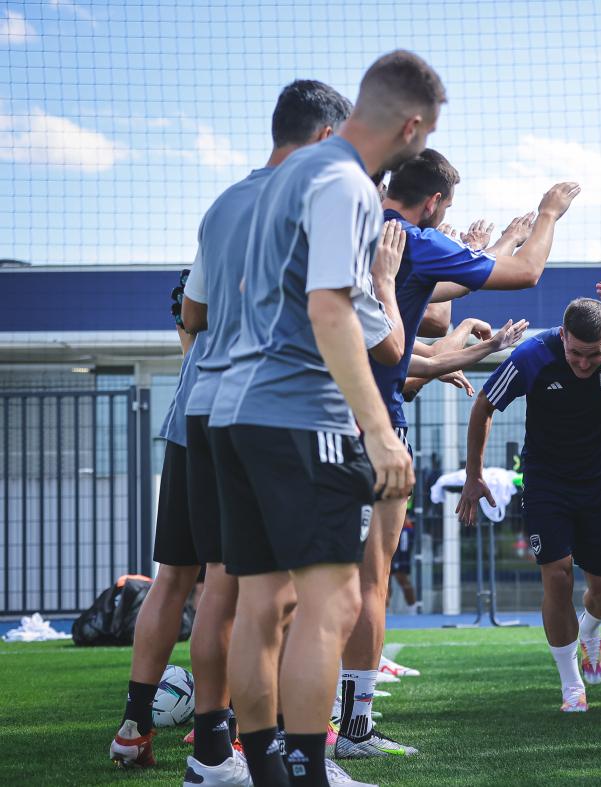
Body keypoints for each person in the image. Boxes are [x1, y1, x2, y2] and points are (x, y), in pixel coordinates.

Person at [208, 50, 443, 787]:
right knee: (333, 599)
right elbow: (331, 309)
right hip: (299, 414)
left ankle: (268, 773)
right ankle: (310, 771)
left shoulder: (283, 177)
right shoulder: (346, 183)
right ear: (413, 125)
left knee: (262, 600)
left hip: (234, 411)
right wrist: (377, 430)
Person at [333, 145, 580, 759]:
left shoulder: (348, 231)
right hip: (371, 424)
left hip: (310, 422)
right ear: (436, 202)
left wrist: (492, 248)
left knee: (301, 578)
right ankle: (346, 727)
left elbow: (436, 311)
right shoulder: (409, 239)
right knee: (367, 580)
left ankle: (272, 726)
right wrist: (547, 214)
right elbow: (525, 274)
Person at [173, 79, 354, 787]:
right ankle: (304, 766)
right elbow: (351, 326)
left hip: (211, 408)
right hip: (285, 411)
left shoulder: (222, 204)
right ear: (323, 137)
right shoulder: (318, 201)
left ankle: (222, 757)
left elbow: (192, 314)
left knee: (235, 591)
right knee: (320, 599)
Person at [459, 298, 601, 712]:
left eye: (594, 355)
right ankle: (571, 685)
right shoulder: (531, 357)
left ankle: (590, 629)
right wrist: (473, 474)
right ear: (562, 336)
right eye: (576, 353)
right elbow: (484, 405)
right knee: (558, 576)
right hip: (546, 482)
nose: (584, 364)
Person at [109, 272, 205, 770]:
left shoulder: (215, 242)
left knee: (171, 581)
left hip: (187, 426)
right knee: (231, 586)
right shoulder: (282, 246)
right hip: (242, 424)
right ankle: (221, 731)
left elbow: (191, 325)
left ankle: (133, 727)